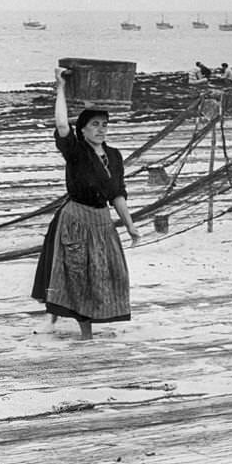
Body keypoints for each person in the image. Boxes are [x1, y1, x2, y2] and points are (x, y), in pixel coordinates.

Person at [31, 67, 141, 341]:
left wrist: (130, 226)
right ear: (83, 129)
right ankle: (83, 332)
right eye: (95, 124)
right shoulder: (76, 151)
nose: (101, 129)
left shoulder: (114, 156)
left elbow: (117, 194)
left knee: (107, 273)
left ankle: (75, 320)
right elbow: (60, 126)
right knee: (76, 275)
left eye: (105, 125)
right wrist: (60, 87)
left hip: (102, 221)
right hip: (76, 220)